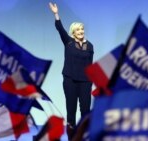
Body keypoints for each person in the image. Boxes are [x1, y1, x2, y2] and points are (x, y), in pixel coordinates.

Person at [49, 2, 94, 140]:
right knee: (71, 110)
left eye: (82, 30)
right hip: (70, 80)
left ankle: (84, 136)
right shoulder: (68, 42)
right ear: (73, 32)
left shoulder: (89, 45)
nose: (81, 32)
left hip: (85, 81)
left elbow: (90, 64)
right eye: (78, 30)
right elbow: (60, 28)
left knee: (85, 110)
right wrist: (56, 14)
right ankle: (72, 137)